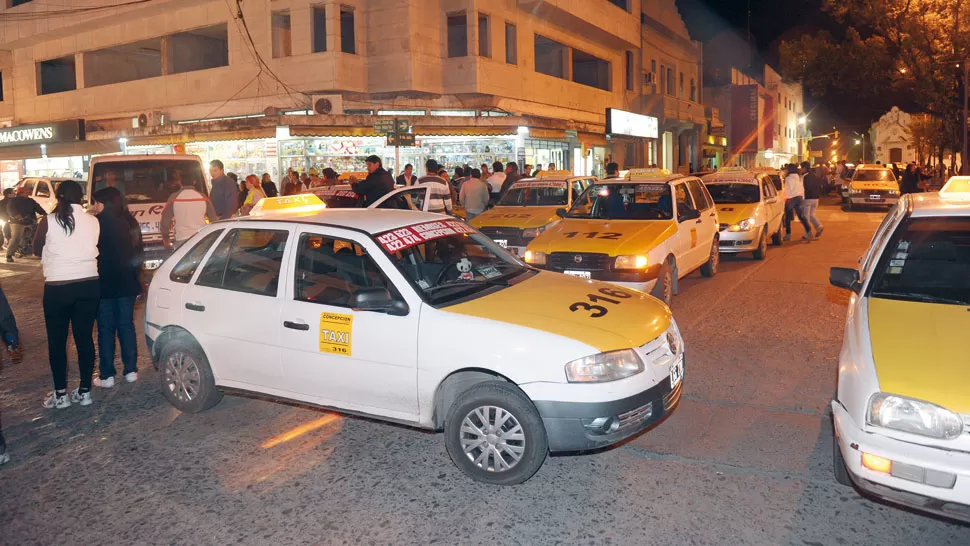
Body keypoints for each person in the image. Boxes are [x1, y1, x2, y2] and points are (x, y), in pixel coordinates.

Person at [33, 180, 100, 409]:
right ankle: (85, 391)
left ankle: (61, 394)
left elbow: (35, 249)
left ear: (59, 197)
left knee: (57, 341)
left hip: (58, 286)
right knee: (84, 338)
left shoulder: (49, 221)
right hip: (89, 284)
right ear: (81, 197)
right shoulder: (92, 221)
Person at [90, 187, 142, 389]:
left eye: (96, 202)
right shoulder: (130, 222)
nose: (94, 206)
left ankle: (107, 375)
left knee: (105, 329)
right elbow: (139, 254)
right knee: (126, 326)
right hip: (127, 283)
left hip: (103, 284)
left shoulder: (96, 224)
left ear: (104, 203)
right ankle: (131, 370)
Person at [160, 171, 218, 249]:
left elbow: (165, 223)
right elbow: (214, 220)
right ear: (194, 182)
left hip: (181, 239)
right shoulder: (203, 197)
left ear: (180, 182)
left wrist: (166, 239)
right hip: (200, 239)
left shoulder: (173, 198)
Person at [5, 187, 46, 263]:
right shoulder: (13, 201)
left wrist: (45, 214)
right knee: (15, 238)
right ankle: (9, 254)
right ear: (21, 193)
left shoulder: (30, 201)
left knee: (27, 237)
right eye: (26, 192)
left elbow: (38, 208)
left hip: (29, 221)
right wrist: (17, 216)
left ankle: (21, 250)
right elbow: (10, 209)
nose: (28, 193)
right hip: (17, 222)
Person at [783, 164, 812, 242]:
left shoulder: (788, 178)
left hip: (791, 198)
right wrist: (802, 197)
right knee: (801, 216)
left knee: (788, 217)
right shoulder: (800, 177)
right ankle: (809, 231)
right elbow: (802, 188)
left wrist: (785, 198)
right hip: (799, 197)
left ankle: (788, 234)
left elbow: (788, 189)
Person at [802, 166, 825, 238]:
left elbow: (803, 188)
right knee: (811, 214)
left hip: (808, 198)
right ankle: (819, 226)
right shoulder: (816, 177)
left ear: (805, 168)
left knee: (806, 216)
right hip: (816, 198)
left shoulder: (805, 177)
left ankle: (808, 233)